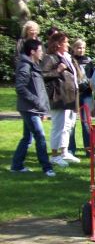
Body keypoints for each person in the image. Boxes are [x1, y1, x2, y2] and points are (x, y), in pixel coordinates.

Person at [11, 38, 55, 176]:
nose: (42, 53)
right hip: (29, 108)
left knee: (27, 138)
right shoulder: (26, 66)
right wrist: (36, 101)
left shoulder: (32, 64)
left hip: (33, 107)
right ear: (32, 52)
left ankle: (16, 165)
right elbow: (20, 88)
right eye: (40, 50)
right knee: (40, 136)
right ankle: (47, 168)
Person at [41, 32, 83, 167]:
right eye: (65, 42)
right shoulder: (50, 58)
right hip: (58, 96)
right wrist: (58, 70)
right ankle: (54, 155)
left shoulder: (67, 57)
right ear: (58, 44)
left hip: (70, 96)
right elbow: (42, 75)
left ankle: (64, 152)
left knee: (68, 126)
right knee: (58, 126)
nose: (68, 44)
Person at [72, 39, 94, 155]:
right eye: (79, 48)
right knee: (71, 123)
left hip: (86, 93)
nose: (81, 50)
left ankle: (89, 149)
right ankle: (70, 149)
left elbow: (92, 77)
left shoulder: (88, 61)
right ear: (74, 48)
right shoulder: (70, 59)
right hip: (73, 94)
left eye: (83, 48)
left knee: (86, 122)